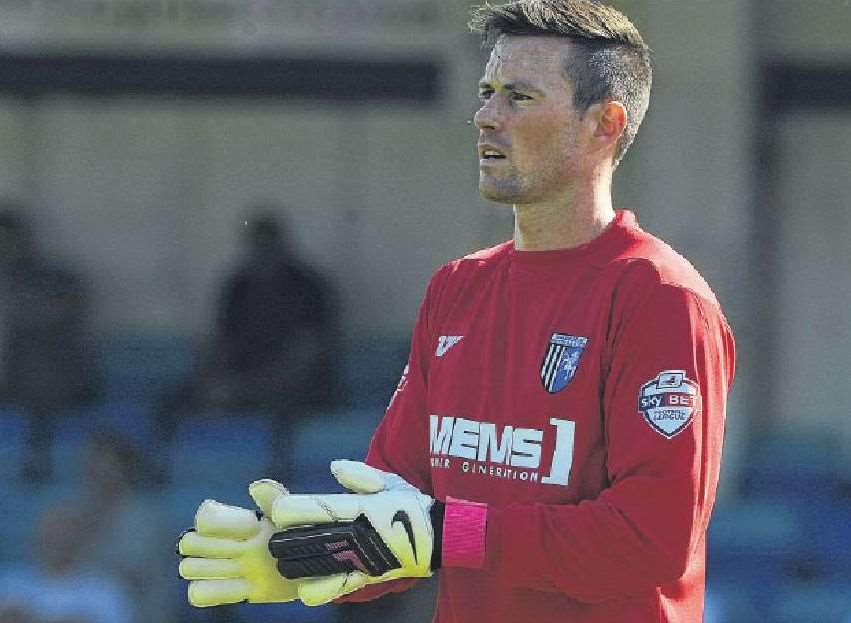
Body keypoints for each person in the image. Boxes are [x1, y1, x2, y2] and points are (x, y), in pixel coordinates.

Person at [177, 2, 736, 622]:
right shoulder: (456, 288)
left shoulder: (661, 298)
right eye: (486, 92)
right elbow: (398, 508)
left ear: (603, 125)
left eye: (519, 97)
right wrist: (305, 556)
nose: (485, 116)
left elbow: (648, 541)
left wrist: (449, 534)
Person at [0, 204, 96, 481]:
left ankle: (37, 466)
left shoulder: (55, 279)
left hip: (48, 384)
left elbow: (67, 307)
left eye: (8, 242)